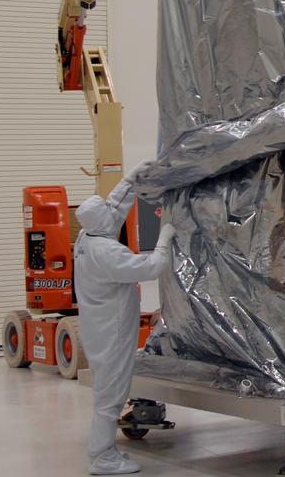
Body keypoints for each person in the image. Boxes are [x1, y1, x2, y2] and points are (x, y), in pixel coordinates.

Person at [74, 168, 177, 475]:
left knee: (108, 393)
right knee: (111, 396)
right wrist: (164, 238)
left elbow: (111, 212)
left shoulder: (86, 237)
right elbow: (151, 267)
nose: (111, 213)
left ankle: (103, 451)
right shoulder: (106, 252)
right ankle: (102, 458)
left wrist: (130, 180)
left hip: (98, 327)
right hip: (112, 334)